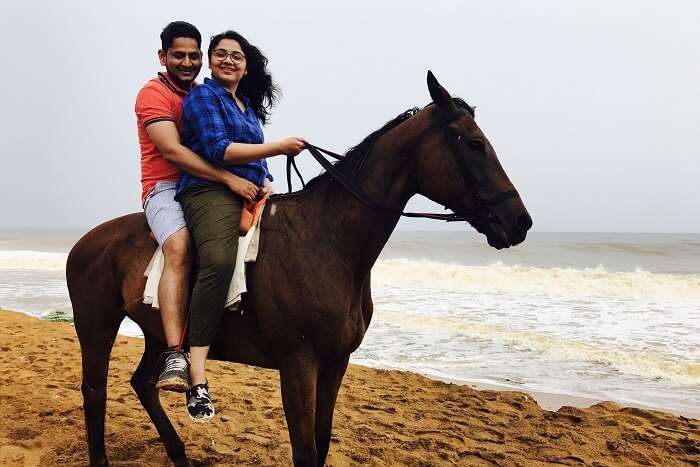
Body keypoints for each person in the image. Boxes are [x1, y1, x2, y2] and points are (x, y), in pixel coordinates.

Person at [176, 30, 304, 421]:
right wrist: (277, 147)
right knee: (217, 259)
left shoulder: (246, 106)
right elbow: (218, 150)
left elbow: (255, 160)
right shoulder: (204, 96)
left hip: (250, 190)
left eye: (236, 56)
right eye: (220, 54)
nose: (228, 60)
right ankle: (196, 372)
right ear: (211, 62)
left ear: (246, 66)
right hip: (209, 189)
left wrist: (266, 175)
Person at [135, 22, 260, 393]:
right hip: (164, 186)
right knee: (179, 246)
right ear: (163, 57)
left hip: (208, 182)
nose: (187, 62)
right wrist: (228, 178)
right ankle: (175, 352)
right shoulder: (153, 94)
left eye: (193, 56)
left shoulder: (205, 92)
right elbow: (173, 152)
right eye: (179, 55)